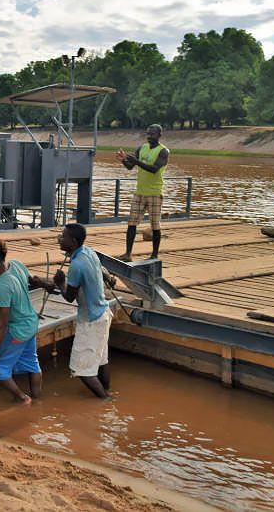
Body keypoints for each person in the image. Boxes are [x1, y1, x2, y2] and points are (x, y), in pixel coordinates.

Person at [0, 237, 43, 404]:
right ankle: (38, 402)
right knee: (32, 363)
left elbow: (3, 323)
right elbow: (34, 280)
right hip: (31, 323)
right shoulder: (16, 265)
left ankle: (22, 398)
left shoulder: (1, 285)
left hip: (18, 330)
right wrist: (47, 284)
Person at [55, 223, 112, 399]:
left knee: (82, 371)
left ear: (73, 241)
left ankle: (105, 401)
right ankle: (108, 394)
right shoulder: (89, 251)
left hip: (91, 322)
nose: (60, 239)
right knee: (101, 361)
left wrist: (60, 283)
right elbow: (103, 273)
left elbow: (69, 296)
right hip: (103, 313)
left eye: (63, 237)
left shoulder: (77, 265)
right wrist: (110, 278)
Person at [115, 124, 169, 261]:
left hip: (154, 193)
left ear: (159, 135)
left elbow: (154, 169)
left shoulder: (164, 151)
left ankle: (154, 254)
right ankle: (128, 253)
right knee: (131, 223)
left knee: (155, 225)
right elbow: (130, 166)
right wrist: (123, 160)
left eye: (153, 134)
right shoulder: (141, 148)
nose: (150, 136)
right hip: (139, 192)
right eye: (148, 134)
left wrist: (137, 161)